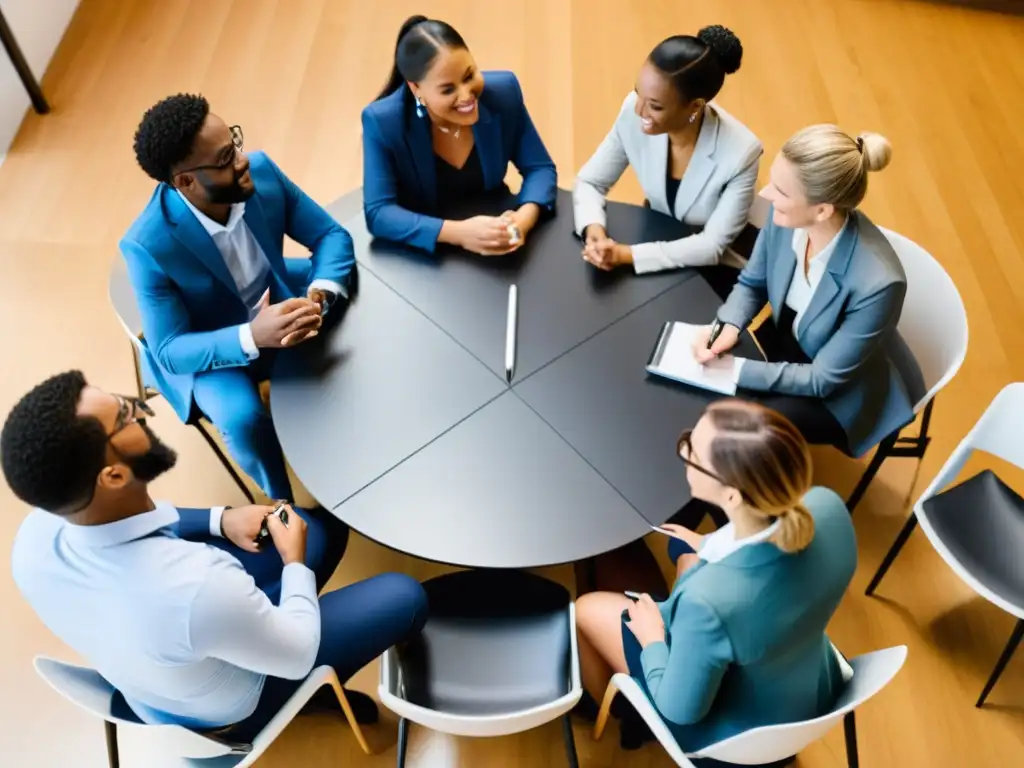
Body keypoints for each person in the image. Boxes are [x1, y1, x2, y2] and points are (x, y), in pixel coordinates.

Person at [3, 371, 427, 741]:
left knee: (322, 533)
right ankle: (307, 697)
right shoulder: (195, 586)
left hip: (160, 681)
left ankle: (294, 636)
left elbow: (145, 522)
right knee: (404, 595)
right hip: (236, 706)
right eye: (125, 415)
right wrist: (294, 562)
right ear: (113, 476)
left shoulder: (36, 539)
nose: (138, 409)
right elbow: (296, 654)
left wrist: (221, 520)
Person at [574, 400, 857, 759]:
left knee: (586, 609)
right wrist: (709, 545)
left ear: (732, 495)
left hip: (738, 730)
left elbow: (682, 711)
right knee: (687, 554)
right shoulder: (828, 508)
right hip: (801, 679)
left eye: (692, 452)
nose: (683, 449)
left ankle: (626, 711)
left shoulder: (707, 604)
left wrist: (653, 641)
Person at [122, 93, 356, 502]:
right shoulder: (147, 247)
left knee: (353, 298)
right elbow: (171, 350)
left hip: (276, 294)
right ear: (185, 182)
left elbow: (329, 235)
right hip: (210, 343)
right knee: (243, 418)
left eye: (235, 142)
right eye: (226, 157)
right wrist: (252, 336)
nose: (243, 160)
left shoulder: (262, 173)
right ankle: (285, 502)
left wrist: (319, 294)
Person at [692, 125, 924, 457]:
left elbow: (822, 380)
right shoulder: (786, 216)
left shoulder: (880, 283)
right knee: (704, 396)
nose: (766, 195)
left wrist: (735, 369)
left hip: (836, 393)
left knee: (737, 429)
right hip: (788, 342)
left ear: (822, 210)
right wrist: (727, 327)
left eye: (782, 192)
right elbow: (752, 283)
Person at [574, 25, 762, 299]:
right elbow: (591, 181)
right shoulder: (633, 110)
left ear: (695, 107)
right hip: (656, 232)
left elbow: (711, 246)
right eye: (638, 92)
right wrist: (594, 229)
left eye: (656, 106)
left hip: (714, 266)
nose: (640, 110)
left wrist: (627, 255)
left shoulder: (742, 152)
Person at [362, 15, 557, 255]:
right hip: (424, 251)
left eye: (469, 76)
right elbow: (379, 213)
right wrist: (460, 233)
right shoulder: (382, 122)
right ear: (416, 89)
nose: (467, 96)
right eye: (448, 89)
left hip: (495, 231)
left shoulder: (504, 92)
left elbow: (540, 167)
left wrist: (522, 220)